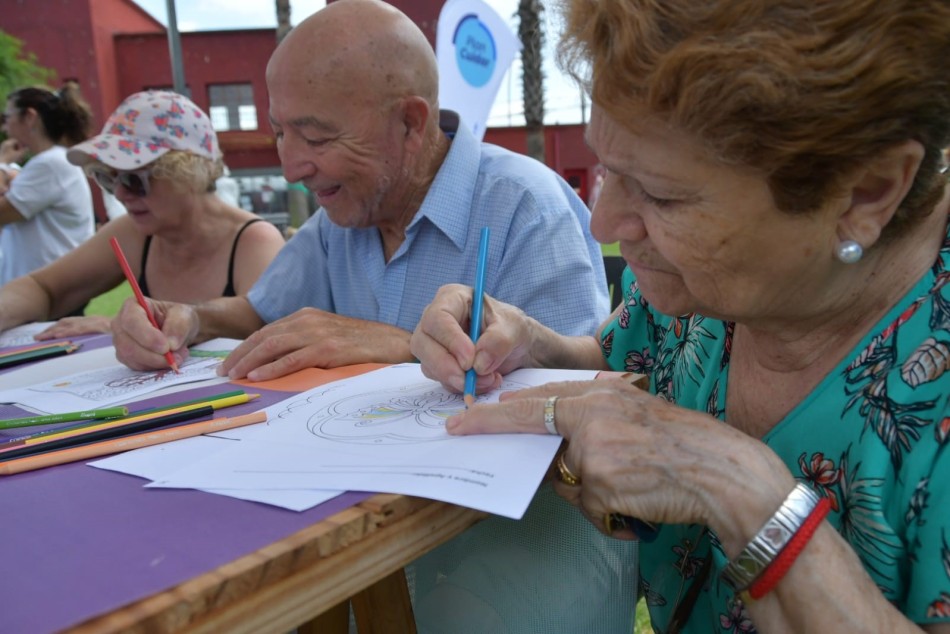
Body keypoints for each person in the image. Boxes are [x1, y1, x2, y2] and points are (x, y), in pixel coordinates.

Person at [410, 0, 950, 631]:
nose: (602, 223)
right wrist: (533, 342)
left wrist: (741, 492)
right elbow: (626, 363)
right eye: (610, 170)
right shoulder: (703, 286)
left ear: (868, 192)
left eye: (662, 195)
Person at [110, 1, 637, 631]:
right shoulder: (346, 215)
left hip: (513, 551)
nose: (290, 167)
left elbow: (579, 388)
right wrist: (189, 319)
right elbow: (257, 309)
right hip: (364, 540)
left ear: (410, 124)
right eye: (280, 132)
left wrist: (389, 345)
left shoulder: (525, 203)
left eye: (316, 136)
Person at [0, 90, 286, 339]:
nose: (120, 194)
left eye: (135, 180)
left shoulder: (253, 240)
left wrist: (120, 325)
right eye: (108, 179)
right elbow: (43, 288)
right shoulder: (134, 233)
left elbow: (261, 321)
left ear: (188, 173)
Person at [0, 81, 95, 286]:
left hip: (47, 296)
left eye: (6, 117)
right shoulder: (51, 162)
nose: (4, 126)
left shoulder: (50, 164)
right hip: (46, 291)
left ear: (30, 117)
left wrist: (2, 162)